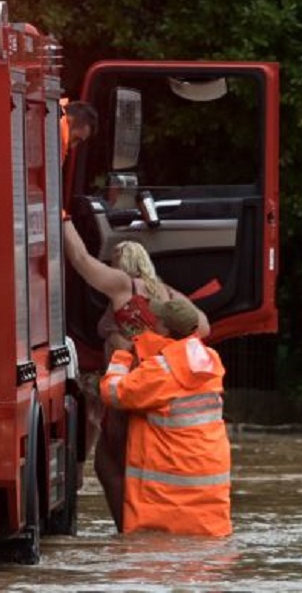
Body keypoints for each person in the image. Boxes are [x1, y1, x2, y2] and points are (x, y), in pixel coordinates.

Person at [62, 217, 209, 531]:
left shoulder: (122, 285)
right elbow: (203, 326)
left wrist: (63, 219)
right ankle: (137, 529)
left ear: (123, 262)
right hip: (155, 389)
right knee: (129, 462)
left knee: (107, 464)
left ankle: (128, 531)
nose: (110, 266)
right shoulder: (167, 294)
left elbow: (81, 260)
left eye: (114, 261)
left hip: (128, 387)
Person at [99, 296, 231, 537]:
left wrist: (121, 356)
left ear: (166, 329)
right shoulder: (210, 358)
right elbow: (173, 370)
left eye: (157, 321)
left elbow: (114, 393)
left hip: (166, 496)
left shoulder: (160, 371)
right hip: (207, 502)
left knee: (105, 464)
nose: (153, 323)